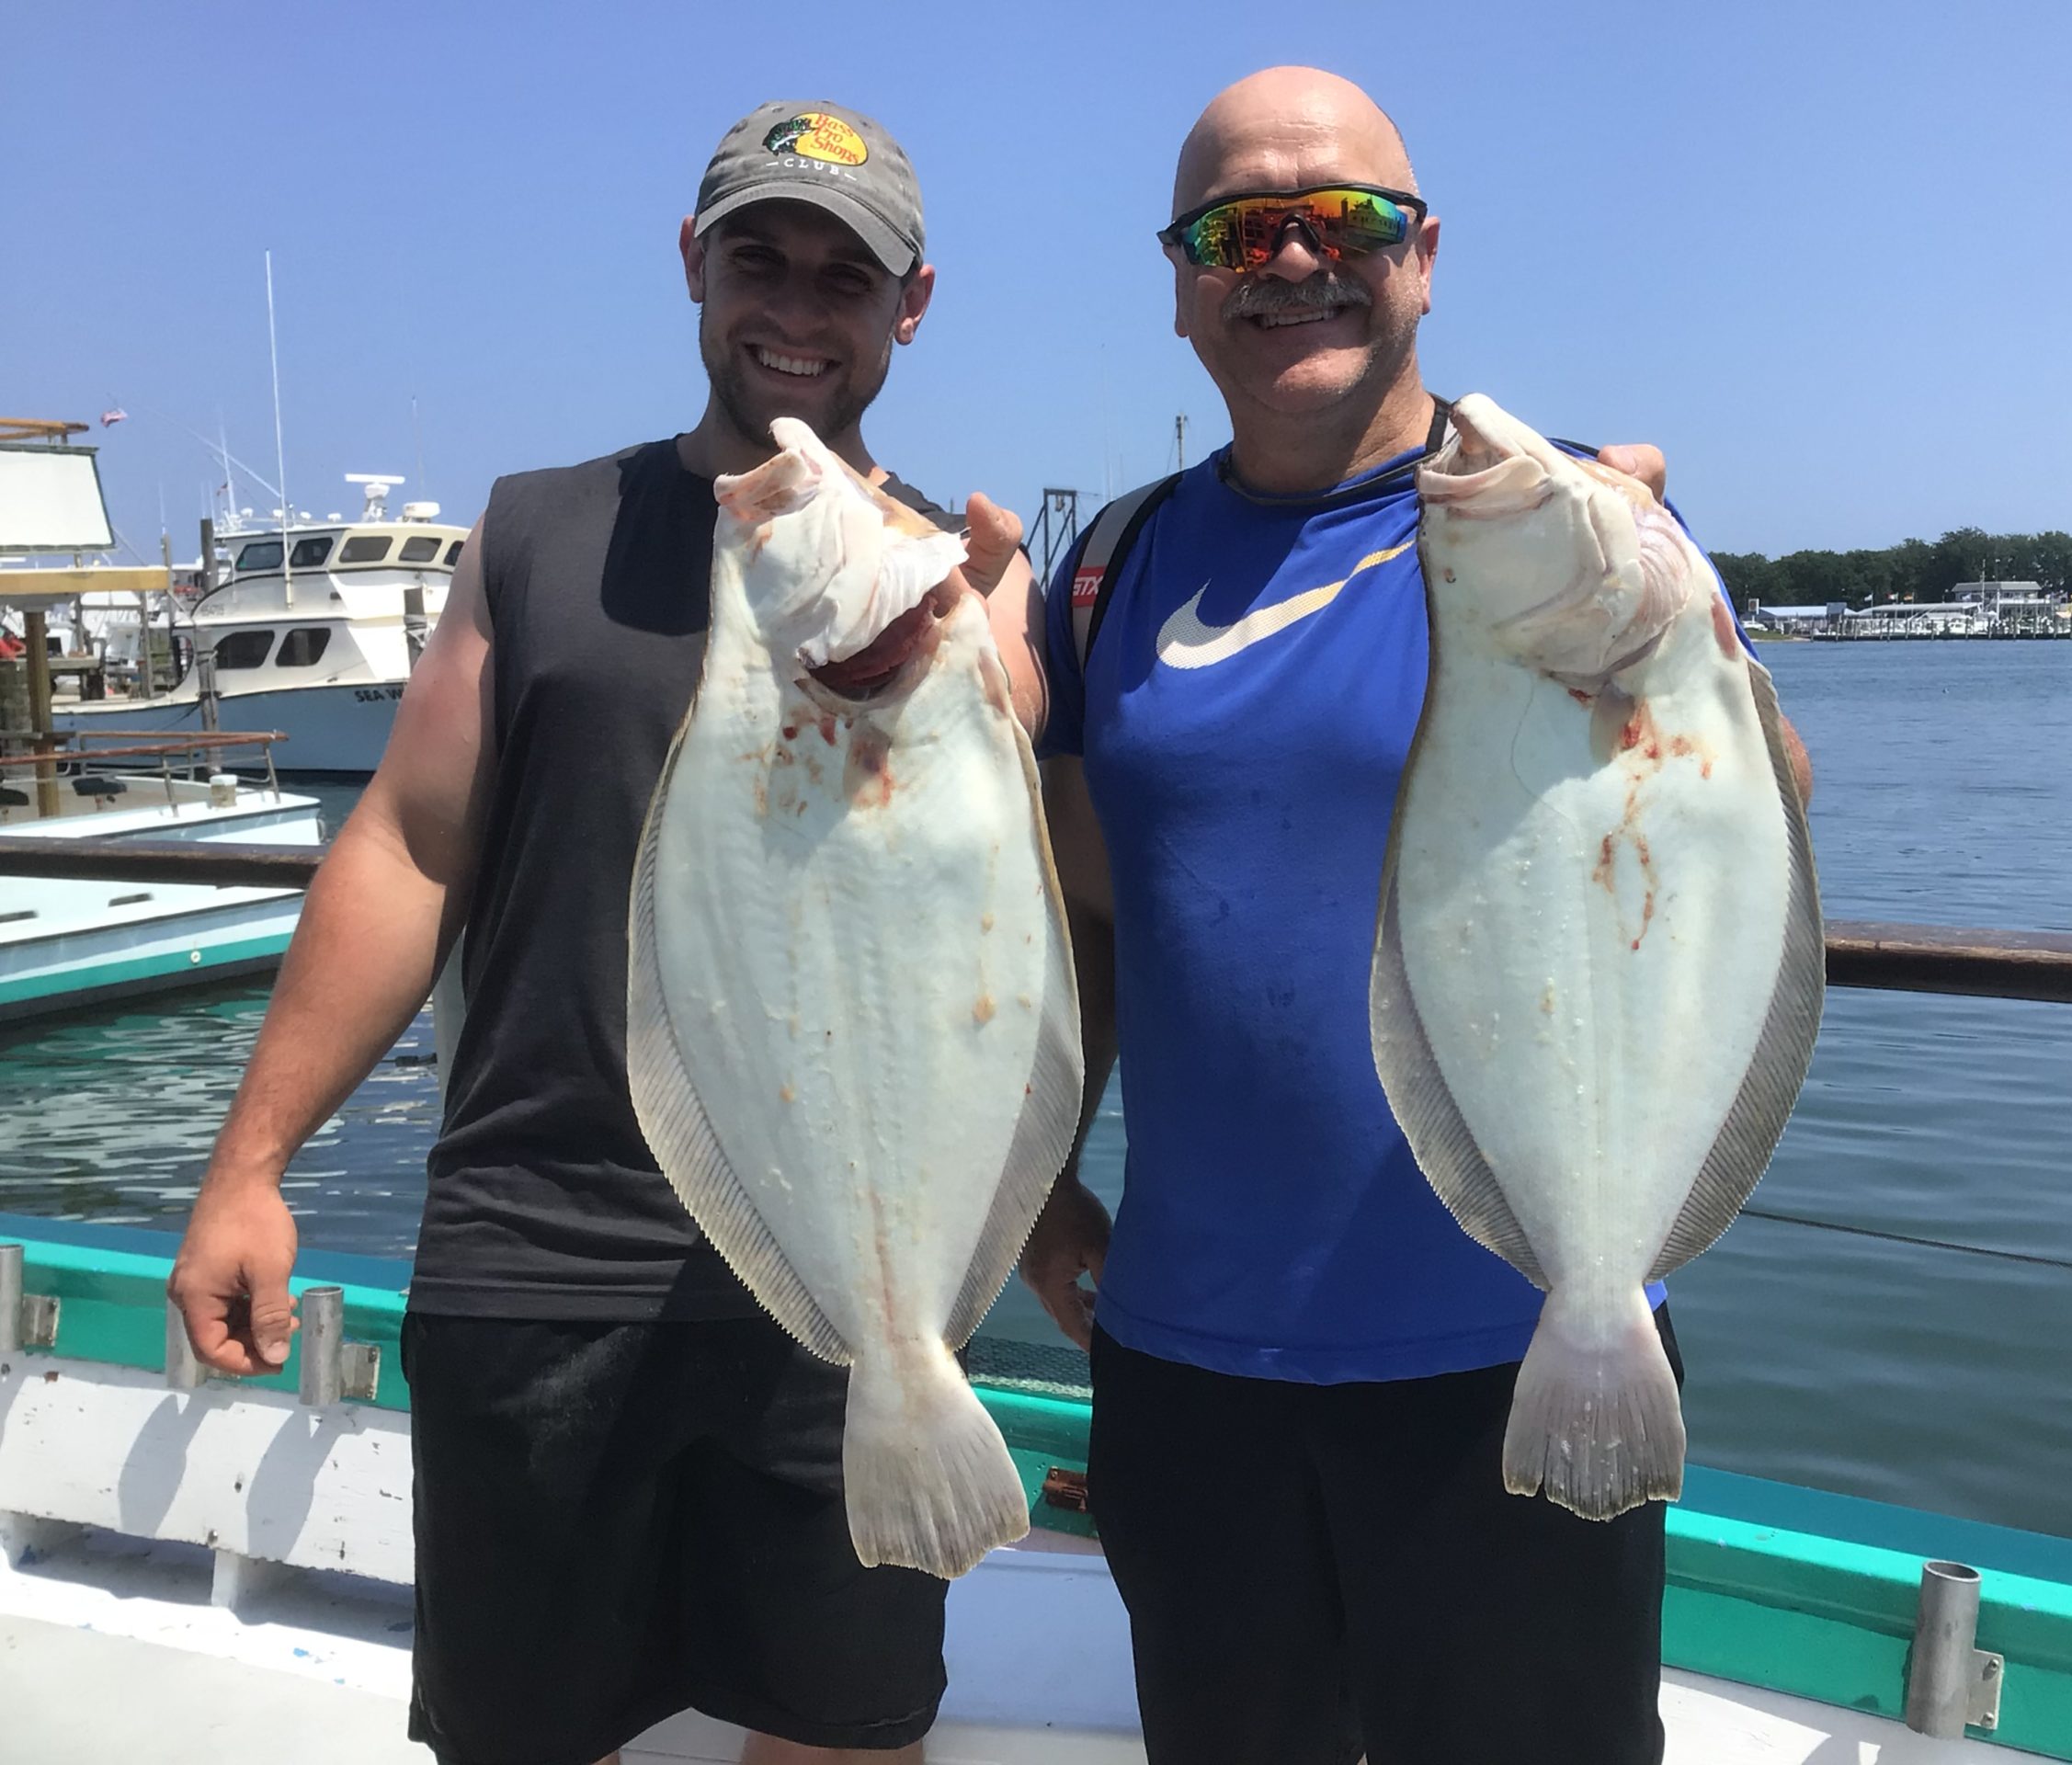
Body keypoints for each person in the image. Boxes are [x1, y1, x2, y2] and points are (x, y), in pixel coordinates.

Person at [166, 101, 1029, 1765]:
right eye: (758, 259)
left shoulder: (954, 585)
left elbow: (1017, 906)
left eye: (845, 277)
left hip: (843, 1288)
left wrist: (973, 655)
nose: (795, 308)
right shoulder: (535, 535)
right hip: (542, 1254)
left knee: (845, 1736)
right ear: (692, 265)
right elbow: (407, 847)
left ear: (910, 307)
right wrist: (249, 1167)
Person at [1016, 66, 1814, 1765]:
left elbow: (1764, 833)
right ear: (1180, 286)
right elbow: (1085, 917)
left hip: (1523, 1342)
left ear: (1426, 258)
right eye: (1239, 230)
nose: (1295, 259)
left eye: (1347, 219)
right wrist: (1034, 1190)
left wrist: (1691, 636)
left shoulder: (1575, 521)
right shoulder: (1115, 569)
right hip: (1186, 1363)